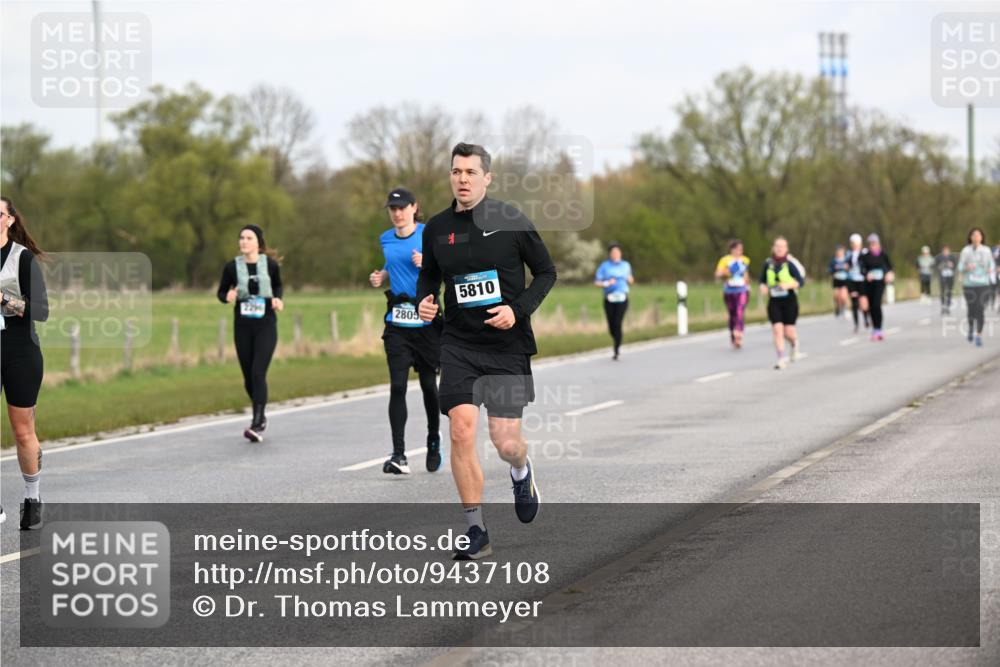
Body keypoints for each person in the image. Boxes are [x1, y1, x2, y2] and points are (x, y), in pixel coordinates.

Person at [416, 142, 557, 560]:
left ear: (487, 178)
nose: (462, 179)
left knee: (505, 441)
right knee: (460, 429)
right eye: (456, 172)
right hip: (458, 343)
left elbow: (547, 273)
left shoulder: (511, 221)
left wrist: (518, 310)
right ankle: (476, 530)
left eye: (470, 172)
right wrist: (426, 300)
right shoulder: (437, 228)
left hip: (507, 346)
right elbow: (430, 278)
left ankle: (520, 469)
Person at [369, 187, 443, 475]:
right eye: (392, 209)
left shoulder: (429, 234)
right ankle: (398, 454)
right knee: (397, 386)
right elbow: (392, 264)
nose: (397, 213)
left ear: (414, 207)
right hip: (398, 323)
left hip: (426, 321)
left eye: (402, 208)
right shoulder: (386, 238)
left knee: (428, 386)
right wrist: (382, 275)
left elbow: (448, 269)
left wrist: (428, 264)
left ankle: (433, 439)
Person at [0, 196, 49, 530]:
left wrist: (3, 299)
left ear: (10, 220)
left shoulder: (22, 259)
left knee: (22, 431)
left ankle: (32, 498)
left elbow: (42, 311)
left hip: (19, 350)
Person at [216, 225, 284, 442]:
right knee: (248, 378)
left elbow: (278, 286)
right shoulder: (231, 267)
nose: (244, 241)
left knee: (258, 373)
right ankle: (261, 413)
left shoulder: (270, 265)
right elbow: (221, 292)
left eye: (249, 238)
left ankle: (257, 423)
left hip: (266, 325)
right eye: (241, 238)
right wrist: (227, 295)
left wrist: (278, 299)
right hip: (243, 326)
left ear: (258, 243)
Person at [758, 236, 804, 370]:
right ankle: (781, 358)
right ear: (773, 248)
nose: (779, 249)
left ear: (786, 249)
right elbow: (761, 280)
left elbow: (800, 282)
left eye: (782, 246)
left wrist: (789, 285)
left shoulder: (790, 264)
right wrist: (763, 287)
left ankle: (794, 343)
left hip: (789, 300)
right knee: (777, 330)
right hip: (774, 301)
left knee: (788, 332)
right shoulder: (768, 263)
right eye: (777, 246)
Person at [595, 243, 634, 358]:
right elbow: (597, 282)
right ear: (610, 254)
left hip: (622, 297)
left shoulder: (626, 265)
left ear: (620, 253)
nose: (615, 254)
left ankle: (616, 349)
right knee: (611, 326)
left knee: (618, 323)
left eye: (617, 252)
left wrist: (630, 279)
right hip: (609, 298)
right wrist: (607, 283)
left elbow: (631, 280)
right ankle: (616, 339)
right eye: (613, 252)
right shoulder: (604, 266)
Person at [959, 228, 996, 347]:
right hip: (969, 284)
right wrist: (966, 268)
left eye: (978, 235)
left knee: (980, 309)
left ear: (982, 237)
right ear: (970, 237)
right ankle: (970, 328)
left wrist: (991, 269)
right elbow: (960, 267)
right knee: (971, 309)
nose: (976, 237)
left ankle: (978, 334)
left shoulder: (986, 250)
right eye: (973, 235)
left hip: (983, 284)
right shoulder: (965, 251)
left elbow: (992, 264)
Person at [714, 240, 750, 348]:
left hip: (742, 289)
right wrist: (729, 271)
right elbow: (718, 273)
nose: (740, 251)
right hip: (729, 290)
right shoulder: (725, 260)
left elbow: (745, 274)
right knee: (732, 314)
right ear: (732, 249)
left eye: (741, 249)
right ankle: (732, 334)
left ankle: (739, 334)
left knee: (740, 311)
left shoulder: (745, 260)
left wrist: (748, 284)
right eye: (738, 249)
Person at [859, 233, 894, 341]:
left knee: (876, 304)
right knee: (870, 306)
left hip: (880, 283)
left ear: (878, 244)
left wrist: (889, 274)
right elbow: (862, 269)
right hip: (868, 284)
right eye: (870, 244)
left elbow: (889, 268)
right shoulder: (865, 256)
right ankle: (874, 329)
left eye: (874, 243)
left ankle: (878, 329)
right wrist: (866, 274)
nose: (872, 246)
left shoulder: (883, 255)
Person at [845, 233, 869, 333]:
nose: (854, 245)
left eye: (856, 243)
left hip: (862, 280)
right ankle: (856, 325)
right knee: (854, 302)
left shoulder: (864, 253)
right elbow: (845, 265)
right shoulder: (849, 254)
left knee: (863, 302)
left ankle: (866, 318)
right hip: (852, 280)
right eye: (852, 243)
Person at [828, 244, 850, 319]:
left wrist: (847, 268)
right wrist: (835, 269)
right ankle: (839, 308)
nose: (839, 253)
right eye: (838, 251)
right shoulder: (834, 260)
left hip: (845, 279)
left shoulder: (847, 259)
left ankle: (846, 310)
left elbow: (851, 268)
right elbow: (830, 270)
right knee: (837, 296)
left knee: (843, 296)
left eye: (841, 251)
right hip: (836, 279)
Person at [935, 245, 957, 315]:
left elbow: (956, 265)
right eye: (944, 251)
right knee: (943, 291)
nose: (946, 252)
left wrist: (952, 265)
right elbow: (935, 265)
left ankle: (948, 306)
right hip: (942, 276)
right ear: (942, 251)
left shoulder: (952, 257)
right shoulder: (939, 257)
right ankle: (943, 306)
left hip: (950, 276)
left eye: (947, 250)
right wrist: (940, 267)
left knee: (949, 291)